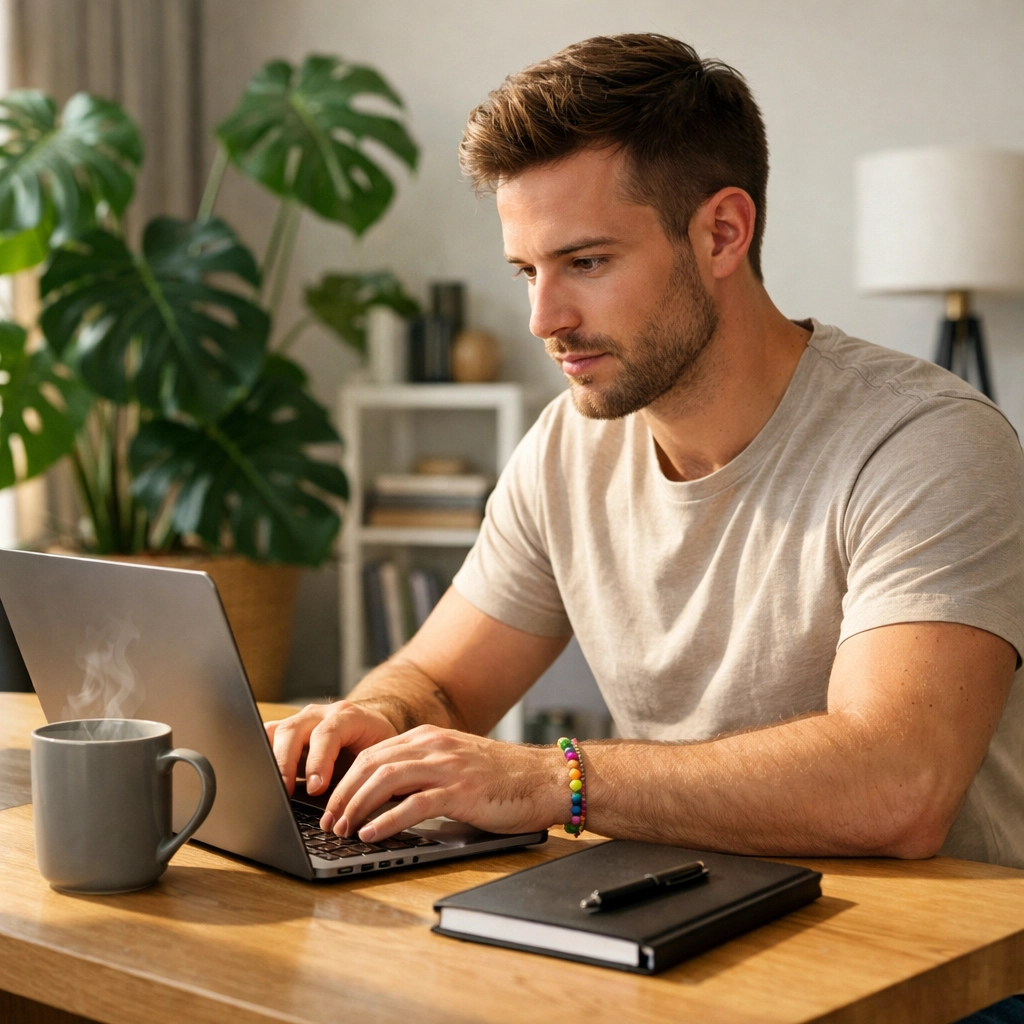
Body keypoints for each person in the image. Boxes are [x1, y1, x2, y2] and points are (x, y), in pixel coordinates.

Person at [268, 34, 1024, 877]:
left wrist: (557, 780)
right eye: (527, 271)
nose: (542, 319)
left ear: (723, 233)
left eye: (585, 262)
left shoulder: (927, 442)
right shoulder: (567, 445)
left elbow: (899, 784)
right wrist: (375, 714)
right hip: (679, 918)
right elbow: (440, 684)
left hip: (949, 974)